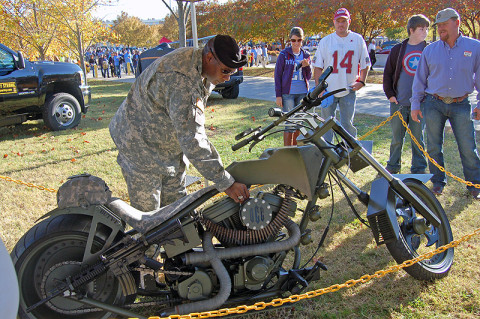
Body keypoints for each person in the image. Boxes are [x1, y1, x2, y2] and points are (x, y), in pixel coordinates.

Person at [109, 35, 250, 211]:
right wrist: (226, 183)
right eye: (226, 71)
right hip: (139, 146)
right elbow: (192, 139)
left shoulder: (201, 66)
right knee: (150, 219)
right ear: (209, 58)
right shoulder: (182, 79)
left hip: (166, 147)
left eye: (232, 73)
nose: (228, 78)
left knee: (176, 213)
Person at [411, 8, 480, 199]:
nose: (440, 28)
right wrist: (415, 104)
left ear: (456, 23)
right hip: (434, 103)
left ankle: (475, 185)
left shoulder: (474, 47)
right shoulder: (429, 50)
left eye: (444, 24)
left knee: (467, 146)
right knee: (433, 146)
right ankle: (438, 182)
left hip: (461, 104)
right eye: (438, 25)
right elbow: (420, 80)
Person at [312, 8, 371, 142]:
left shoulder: (357, 39)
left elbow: (366, 63)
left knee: (347, 124)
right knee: (326, 124)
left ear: (349, 22)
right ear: (334, 22)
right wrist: (319, 88)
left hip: (348, 88)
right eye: (338, 21)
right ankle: (327, 153)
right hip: (328, 91)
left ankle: (349, 152)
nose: (341, 24)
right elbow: (318, 67)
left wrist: (362, 81)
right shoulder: (326, 41)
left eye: (343, 21)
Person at [383, 14, 430, 175]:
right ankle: (393, 166)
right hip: (399, 102)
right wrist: (390, 95)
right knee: (397, 138)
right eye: (421, 29)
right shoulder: (398, 49)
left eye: (427, 29)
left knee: (418, 139)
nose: (425, 32)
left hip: (420, 104)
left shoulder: (429, 49)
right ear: (411, 30)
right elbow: (387, 74)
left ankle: (418, 168)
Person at [274, 27, 312, 146]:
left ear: (302, 40)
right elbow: (277, 75)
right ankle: (287, 151)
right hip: (288, 94)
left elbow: (309, 76)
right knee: (289, 123)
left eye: (299, 40)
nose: (296, 43)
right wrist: (278, 96)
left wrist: (307, 66)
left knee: (298, 123)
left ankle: (296, 150)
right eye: (293, 40)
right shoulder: (284, 55)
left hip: (302, 93)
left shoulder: (306, 55)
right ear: (290, 40)